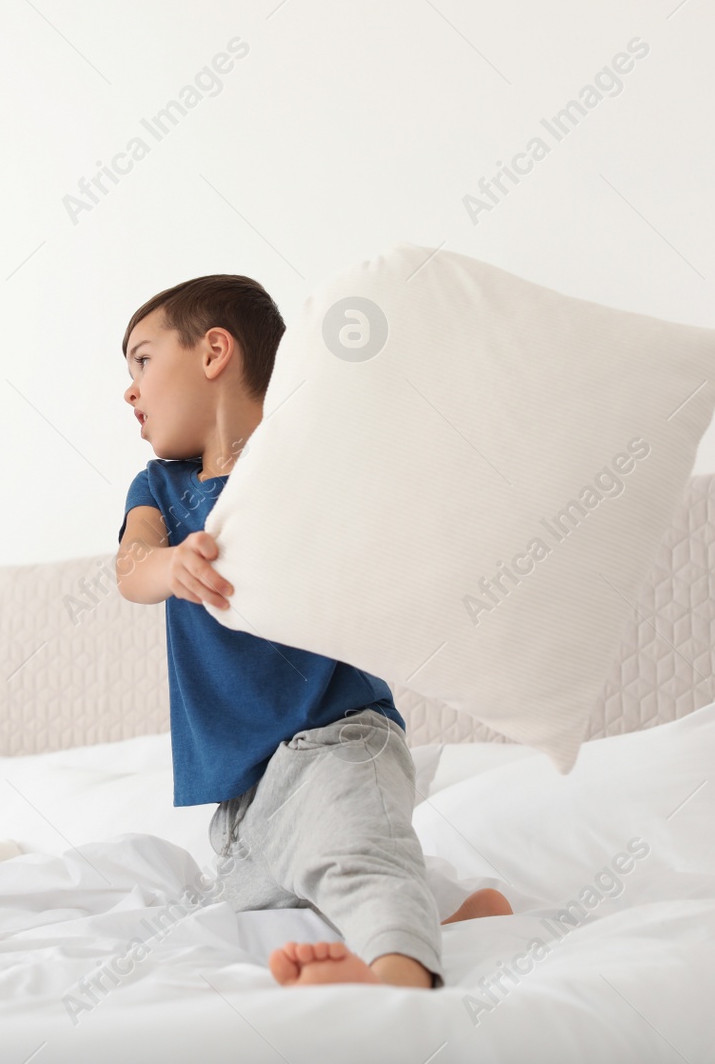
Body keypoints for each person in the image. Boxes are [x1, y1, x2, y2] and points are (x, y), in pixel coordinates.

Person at [114, 276, 510, 988]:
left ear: (213, 352)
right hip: (242, 801)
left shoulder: (304, 460)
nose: (129, 390)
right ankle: (458, 916)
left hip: (332, 737)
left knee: (351, 850)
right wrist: (169, 564)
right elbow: (130, 567)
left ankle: (397, 972)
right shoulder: (160, 489)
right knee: (281, 889)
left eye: (142, 361)